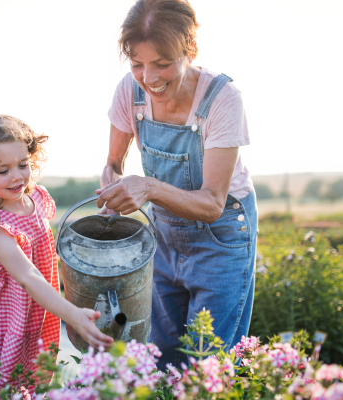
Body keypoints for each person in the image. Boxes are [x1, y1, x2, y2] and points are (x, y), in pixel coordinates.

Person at [96, 0, 258, 369]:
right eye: (138, 64)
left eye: (162, 64)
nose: (149, 78)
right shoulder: (129, 92)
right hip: (165, 234)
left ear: (190, 51)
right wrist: (112, 188)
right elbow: (112, 164)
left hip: (221, 236)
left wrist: (149, 188)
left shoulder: (222, 100)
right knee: (163, 356)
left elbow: (213, 202)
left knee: (208, 363)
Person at [0, 115, 112, 395]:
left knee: (34, 384)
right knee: (3, 390)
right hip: (2, 322)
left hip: (37, 312)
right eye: (2, 171)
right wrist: (72, 314)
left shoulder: (36, 200)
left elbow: (47, 249)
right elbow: (28, 276)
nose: (16, 176)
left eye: (23, 165)